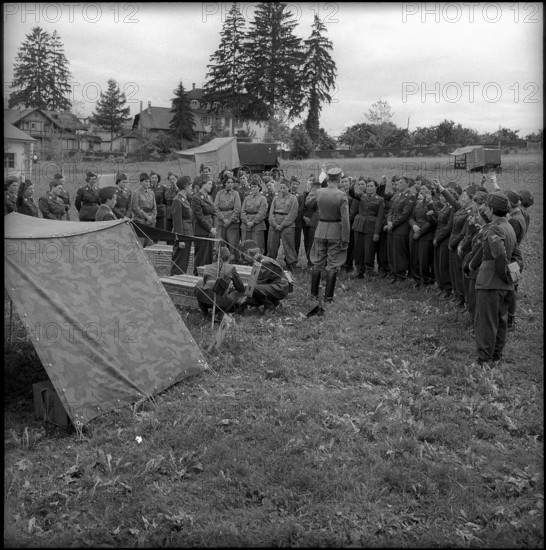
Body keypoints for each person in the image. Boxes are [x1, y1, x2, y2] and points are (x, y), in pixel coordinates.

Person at [469, 192, 522, 365]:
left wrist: (503, 274)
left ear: (491, 209)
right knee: (500, 322)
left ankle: (484, 360)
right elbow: (516, 255)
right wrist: (511, 276)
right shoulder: (508, 227)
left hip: (491, 282)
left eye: (488, 207)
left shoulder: (494, 228)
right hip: (504, 284)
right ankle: (496, 357)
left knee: (486, 322)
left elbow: (499, 254)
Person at [308, 167, 350, 305]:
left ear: (328, 179)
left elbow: (308, 203)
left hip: (321, 229)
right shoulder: (342, 195)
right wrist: (345, 238)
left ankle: (313, 294)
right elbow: (345, 220)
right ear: (338, 179)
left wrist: (315, 186)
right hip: (335, 232)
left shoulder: (319, 192)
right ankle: (328, 298)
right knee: (332, 265)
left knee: (317, 263)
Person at [195, 246, 246, 318]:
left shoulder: (208, 267)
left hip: (204, 300)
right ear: (228, 257)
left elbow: (204, 283)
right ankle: (222, 312)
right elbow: (240, 287)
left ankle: (205, 312)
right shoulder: (231, 268)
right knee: (235, 293)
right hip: (220, 301)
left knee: (202, 284)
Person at [242, 241, 292, 312]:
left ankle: (269, 306)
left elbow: (258, 282)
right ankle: (275, 303)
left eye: (244, 255)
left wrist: (243, 291)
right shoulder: (260, 260)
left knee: (254, 289)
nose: (244, 258)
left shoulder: (264, 263)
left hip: (280, 288)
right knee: (251, 298)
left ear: (248, 254)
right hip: (274, 286)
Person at [352, 178, 385, 278]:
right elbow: (351, 193)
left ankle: (369, 270)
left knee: (369, 250)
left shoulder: (380, 199)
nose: (369, 188)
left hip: (371, 227)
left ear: (376, 188)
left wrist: (377, 232)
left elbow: (380, 217)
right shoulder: (362, 195)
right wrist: (352, 185)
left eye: (371, 186)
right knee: (358, 249)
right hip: (359, 226)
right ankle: (359, 270)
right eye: (368, 186)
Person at [386, 176, 416, 284]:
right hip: (392, 226)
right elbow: (391, 210)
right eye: (398, 182)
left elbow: (405, 214)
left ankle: (400, 275)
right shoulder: (398, 195)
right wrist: (389, 221)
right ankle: (393, 272)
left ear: (407, 184)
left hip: (400, 228)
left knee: (399, 253)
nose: (399, 184)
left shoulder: (410, 196)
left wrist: (393, 223)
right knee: (391, 251)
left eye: (401, 182)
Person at [267, 178, 299, 270]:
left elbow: (293, 214)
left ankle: (292, 263)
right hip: (275, 224)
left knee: (289, 244)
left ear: (288, 188)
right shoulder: (276, 198)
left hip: (287, 225)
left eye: (284, 188)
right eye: (280, 188)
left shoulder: (293, 199)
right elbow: (271, 212)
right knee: (272, 244)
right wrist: (274, 224)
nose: (282, 190)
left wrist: (283, 224)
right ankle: (270, 262)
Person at [408, 184, 436, 287]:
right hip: (414, 232)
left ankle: (426, 280)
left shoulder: (434, 203)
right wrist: (414, 225)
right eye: (421, 189)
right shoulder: (418, 202)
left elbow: (432, 221)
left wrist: (420, 231)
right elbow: (411, 217)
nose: (422, 190)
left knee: (424, 259)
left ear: (430, 190)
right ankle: (417, 279)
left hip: (426, 234)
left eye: (424, 189)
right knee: (414, 257)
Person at [191, 178, 217, 274]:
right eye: (209, 183)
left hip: (211, 231)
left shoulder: (209, 198)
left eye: (211, 184)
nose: (211, 186)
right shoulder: (196, 198)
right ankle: (197, 275)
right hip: (201, 231)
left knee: (209, 256)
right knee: (201, 256)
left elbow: (215, 213)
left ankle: (207, 276)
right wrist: (210, 228)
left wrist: (214, 228)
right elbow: (199, 217)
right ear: (202, 184)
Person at [214, 175, 241, 262]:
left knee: (232, 244)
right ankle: (219, 260)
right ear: (224, 183)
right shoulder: (219, 193)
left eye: (232, 182)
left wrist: (230, 220)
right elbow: (216, 207)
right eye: (228, 182)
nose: (230, 184)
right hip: (221, 222)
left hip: (232, 222)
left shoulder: (235, 194)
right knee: (220, 243)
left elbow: (237, 209)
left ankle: (232, 262)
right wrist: (223, 218)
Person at [171, 176, 194, 275]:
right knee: (179, 260)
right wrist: (180, 238)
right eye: (190, 185)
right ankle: (174, 280)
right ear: (185, 186)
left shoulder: (184, 199)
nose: (191, 188)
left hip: (187, 232)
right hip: (182, 234)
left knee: (184, 261)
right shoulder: (177, 200)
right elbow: (177, 221)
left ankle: (181, 278)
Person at [240, 176, 268, 254]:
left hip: (258, 224)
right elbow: (242, 211)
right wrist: (247, 221)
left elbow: (262, 212)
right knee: (246, 243)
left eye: (255, 187)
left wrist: (253, 222)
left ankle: (257, 260)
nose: (253, 189)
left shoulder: (263, 199)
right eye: (252, 187)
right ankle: (245, 259)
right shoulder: (247, 198)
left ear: (259, 187)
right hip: (246, 224)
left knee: (257, 243)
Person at [130, 173, 157, 247]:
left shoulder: (151, 193)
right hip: (140, 220)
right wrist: (146, 216)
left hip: (151, 220)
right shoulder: (136, 193)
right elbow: (135, 208)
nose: (148, 183)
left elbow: (154, 207)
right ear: (141, 182)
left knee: (150, 242)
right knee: (141, 242)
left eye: (149, 181)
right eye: (146, 181)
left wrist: (152, 217)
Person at [302, 175, 320, 267]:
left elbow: (311, 205)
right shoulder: (305, 192)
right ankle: (309, 261)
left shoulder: (316, 190)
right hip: (305, 221)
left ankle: (312, 263)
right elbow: (301, 207)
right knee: (307, 242)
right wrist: (303, 216)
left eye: (311, 181)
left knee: (312, 242)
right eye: (308, 180)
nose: (308, 182)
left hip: (313, 221)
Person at [290, 176, 305, 260]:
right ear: (290, 184)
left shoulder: (301, 196)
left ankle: (294, 259)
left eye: (297, 184)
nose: (295, 186)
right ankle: (287, 258)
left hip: (296, 223)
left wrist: (292, 219)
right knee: (288, 242)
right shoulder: (287, 194)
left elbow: (300, 210)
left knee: (296, 242)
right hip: (286, 223)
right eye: (293, 184)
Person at [164, 171, 179, 240]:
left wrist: (176, 188)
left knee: (175, 228)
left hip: (176, 210)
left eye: (174, 179)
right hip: (169, 210)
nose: (172, 181)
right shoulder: (167, 188)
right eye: (170, 179)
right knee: (168, 228)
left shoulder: (178, 188)